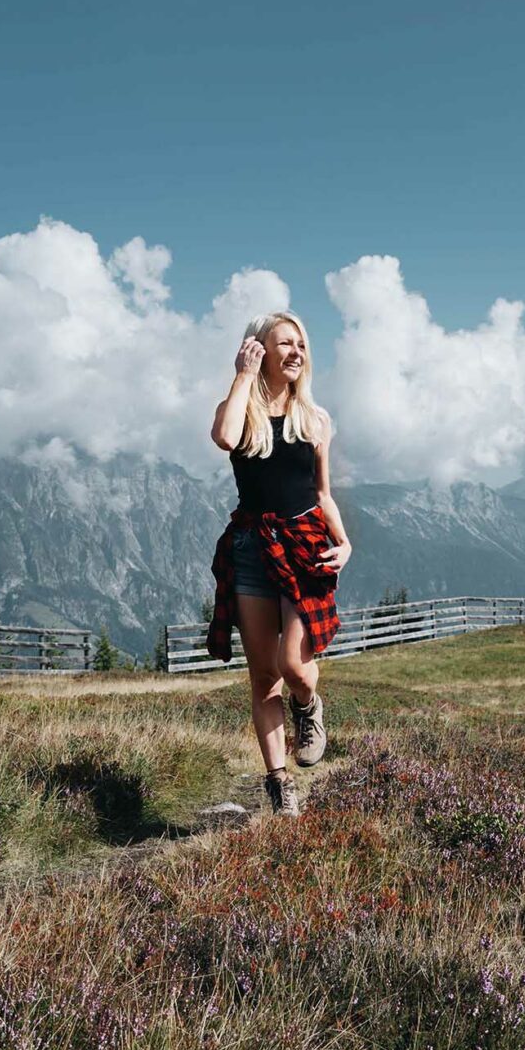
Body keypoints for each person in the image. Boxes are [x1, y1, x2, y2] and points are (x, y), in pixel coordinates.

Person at [206, 311, 352, 817]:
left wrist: (346, 543)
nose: (295, 352)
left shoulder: (315, 418)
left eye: (301, 344)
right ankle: (279, 782)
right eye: (283, 343)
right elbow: (224, 437)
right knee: (263, 676)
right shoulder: (240, 408)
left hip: (306, 546)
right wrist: (242, 376)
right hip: (251, 547)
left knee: (295, 667)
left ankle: (309, 708)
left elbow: (323, 494)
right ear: (258, 350)